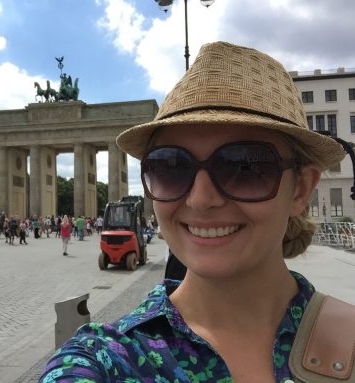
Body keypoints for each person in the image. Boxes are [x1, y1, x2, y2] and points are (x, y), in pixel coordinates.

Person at [39, 42, 351, 382]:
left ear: (301, 189)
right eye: (171, 167)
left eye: (245, 166)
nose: (201, 200)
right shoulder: (104, 360)